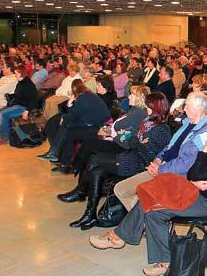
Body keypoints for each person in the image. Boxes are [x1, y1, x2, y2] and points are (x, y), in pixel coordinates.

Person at [89, 144, 207, 276]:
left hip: (203, 201)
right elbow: (193, 174)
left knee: (153, 207)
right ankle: (164, 260)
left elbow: (197, 175)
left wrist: (204, 153)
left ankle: (119, 237)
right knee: (151, 204)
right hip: (195, 193)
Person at [59, 92, 171, 230]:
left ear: (155, 108)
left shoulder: (162, 129)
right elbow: (133, 141)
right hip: (131, 156)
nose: (146, 109)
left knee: (94, 158)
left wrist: (138, 142)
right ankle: (90, 214)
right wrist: (138, 141)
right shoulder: (148, 122)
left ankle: (81, 191)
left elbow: (150, 154)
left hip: (140, 164)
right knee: (96, 171)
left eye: (149, 106)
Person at [113, 91, 207, 212]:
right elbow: (169, 146)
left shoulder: (203, 133)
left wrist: (160, 170)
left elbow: (185, 163)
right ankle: (143, 222)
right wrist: (158, 159)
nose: (184, 109)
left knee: (142, 197)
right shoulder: (187, 123)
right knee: (121, 189)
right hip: (162, 166)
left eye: (187, 105)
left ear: (199, 108)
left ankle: (143, 221)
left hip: (177, 175)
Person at [62, 85, 150, 180]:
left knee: (89, 144)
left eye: (132, 95)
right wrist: (113, 132)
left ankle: (75, 168)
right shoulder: (134, 110)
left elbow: (129, 132)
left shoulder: (139, 113)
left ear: (139, 98)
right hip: (117, 139)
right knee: (88, 142)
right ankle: (77, 168)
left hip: (122, 146)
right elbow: (122, 128)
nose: (128, 97)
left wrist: (114, 136)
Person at [38, 80, 111, 173]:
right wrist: (67, 112)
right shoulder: (88, 95)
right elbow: (76, 114)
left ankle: (59, 157)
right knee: (66, 126)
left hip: (97, 126)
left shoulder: (82, 99)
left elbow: (73, 115)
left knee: (68, 129)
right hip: (92, 121)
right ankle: (59, 157)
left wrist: (68, 108)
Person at [0, 66, 38, 145]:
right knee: (2, 111)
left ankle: (5, 138)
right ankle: (12, 133)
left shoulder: (29, 84)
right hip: (19, 104)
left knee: (3, 114)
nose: (15, 75)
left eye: (16, 73)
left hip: (24, 107)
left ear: (21, 74)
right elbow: (18, 95)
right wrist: (9, 96)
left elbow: (33, 100)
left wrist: (27, 111)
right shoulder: (21, 83)